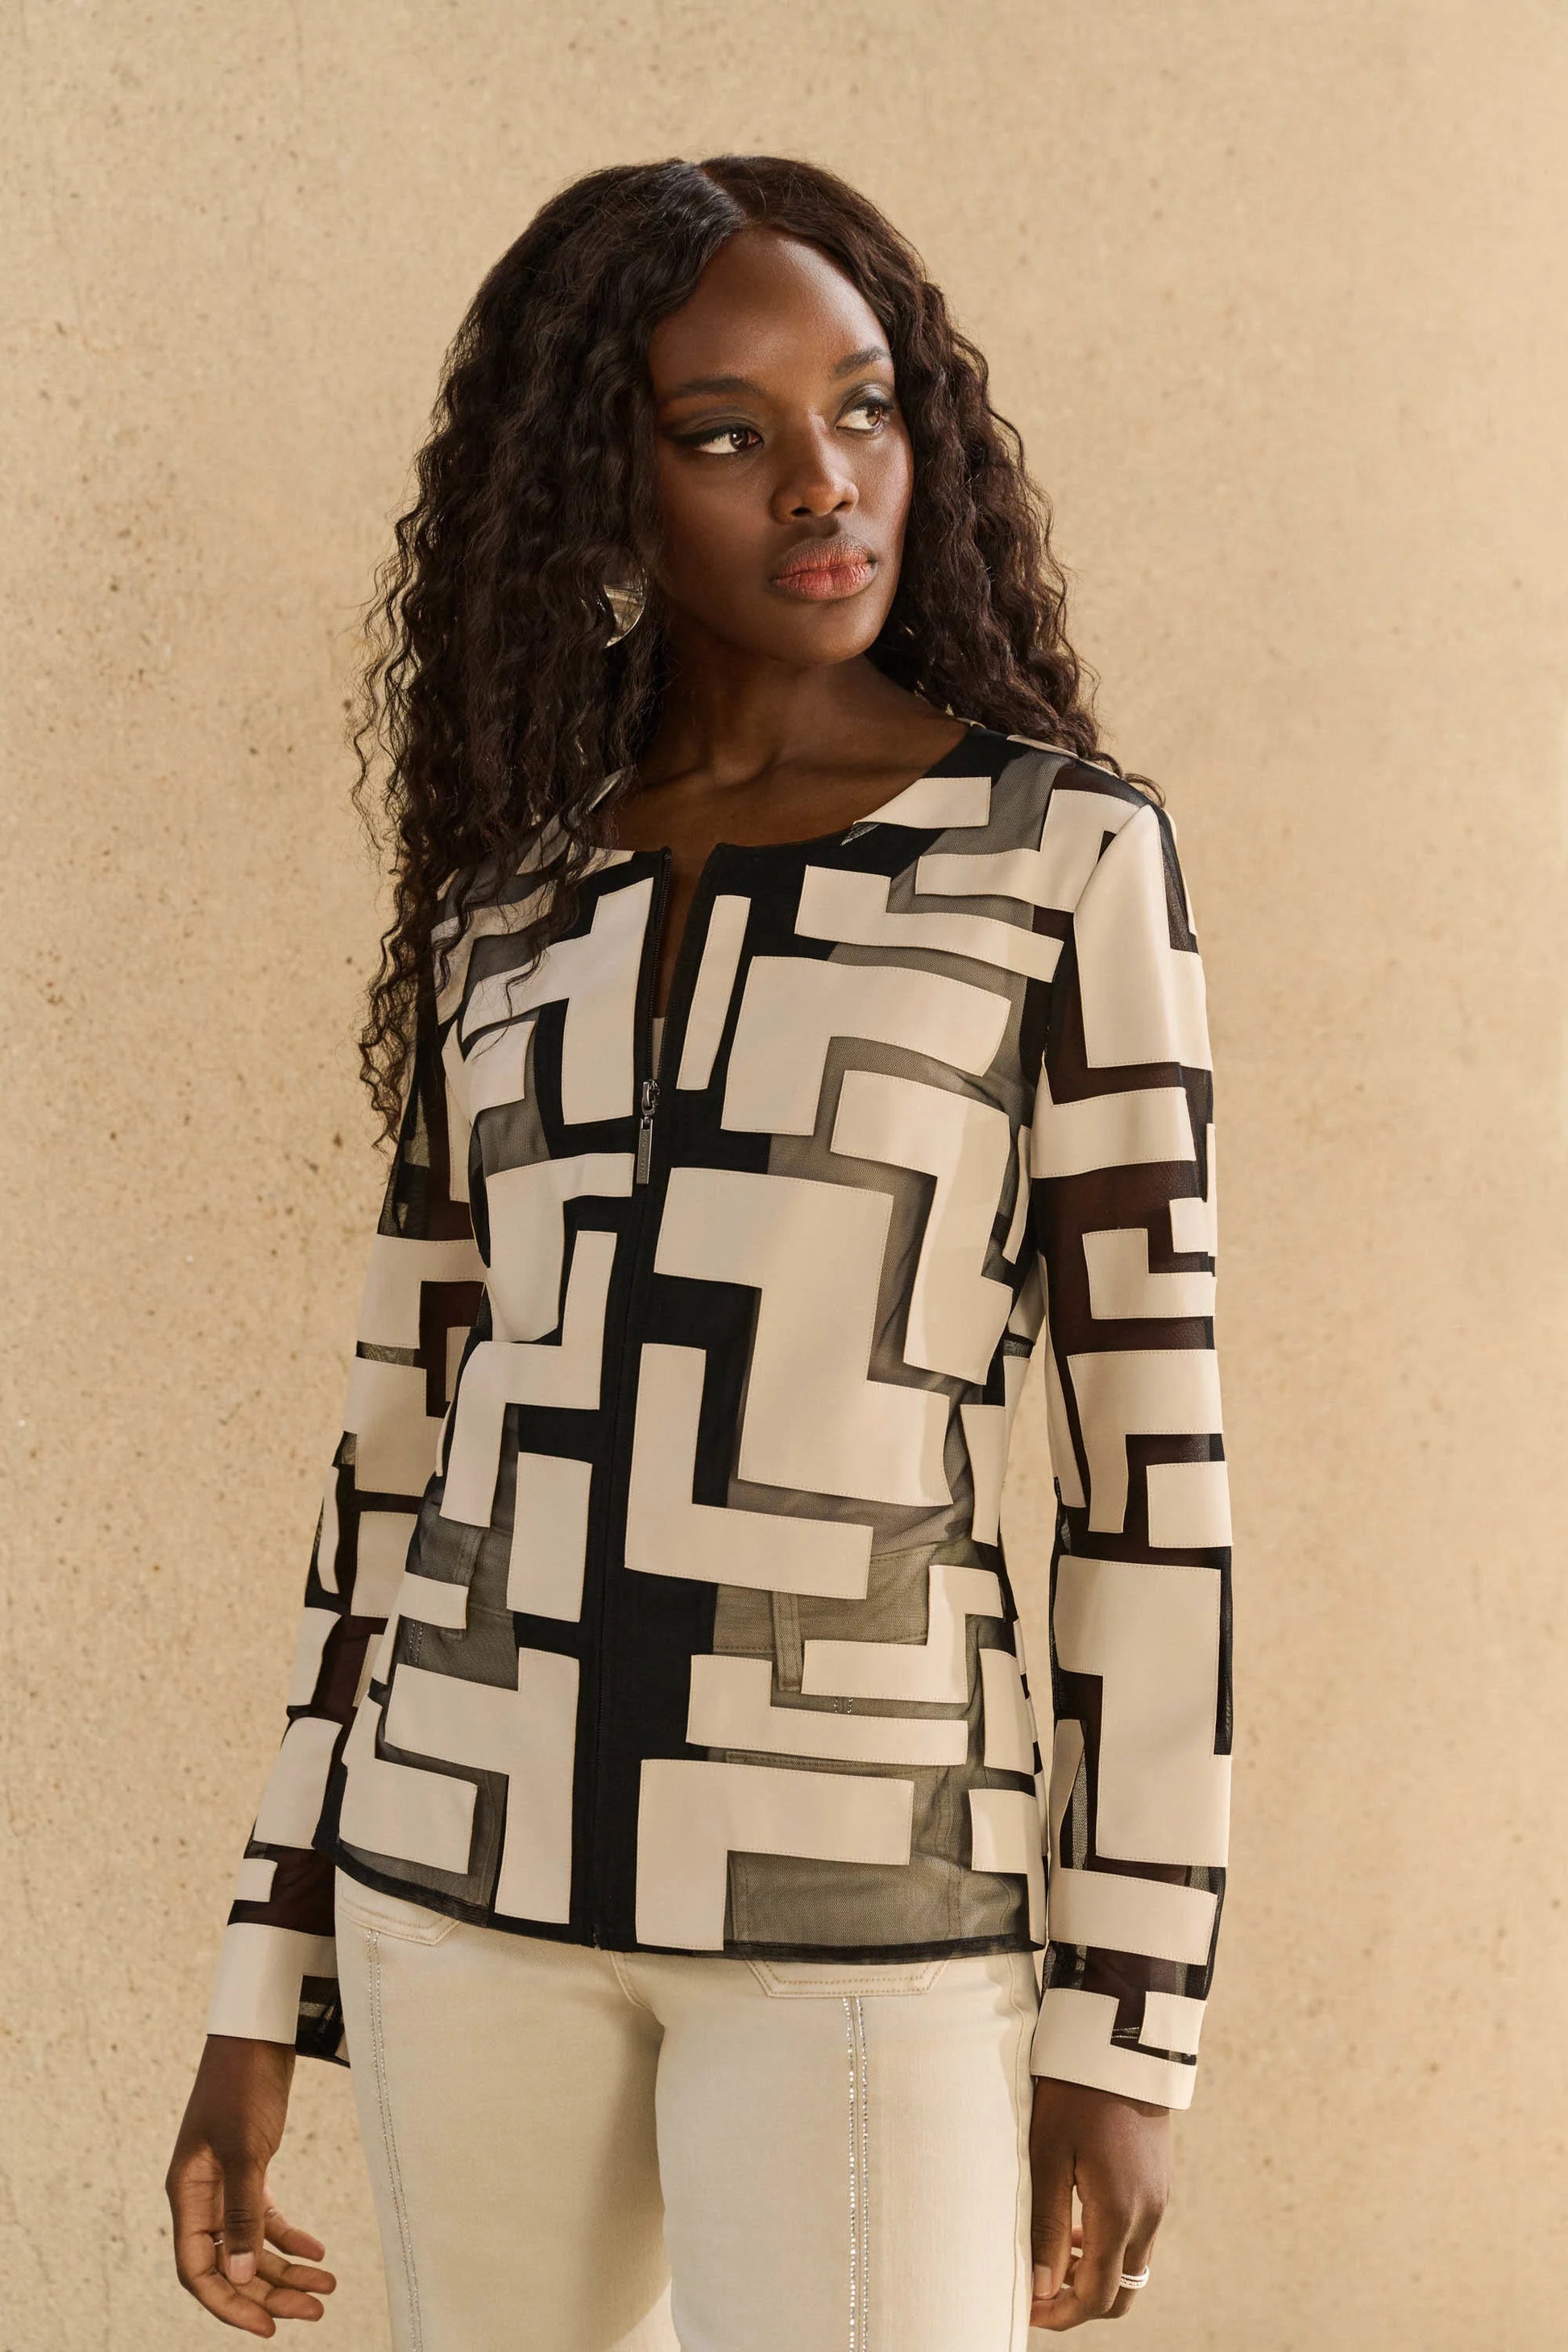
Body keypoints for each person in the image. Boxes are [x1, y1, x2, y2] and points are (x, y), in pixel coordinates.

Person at [166, 154, 1232, 2351]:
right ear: (604, 496)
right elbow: (394, 1461)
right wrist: (263, 1968)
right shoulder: (508, 903)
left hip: (868, 1899)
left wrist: (1126, 2025)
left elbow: (1152, 1483)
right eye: (723, 434)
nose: (823, 482)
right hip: (457, 1895)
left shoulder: (1056, 857)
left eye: (859, 408)